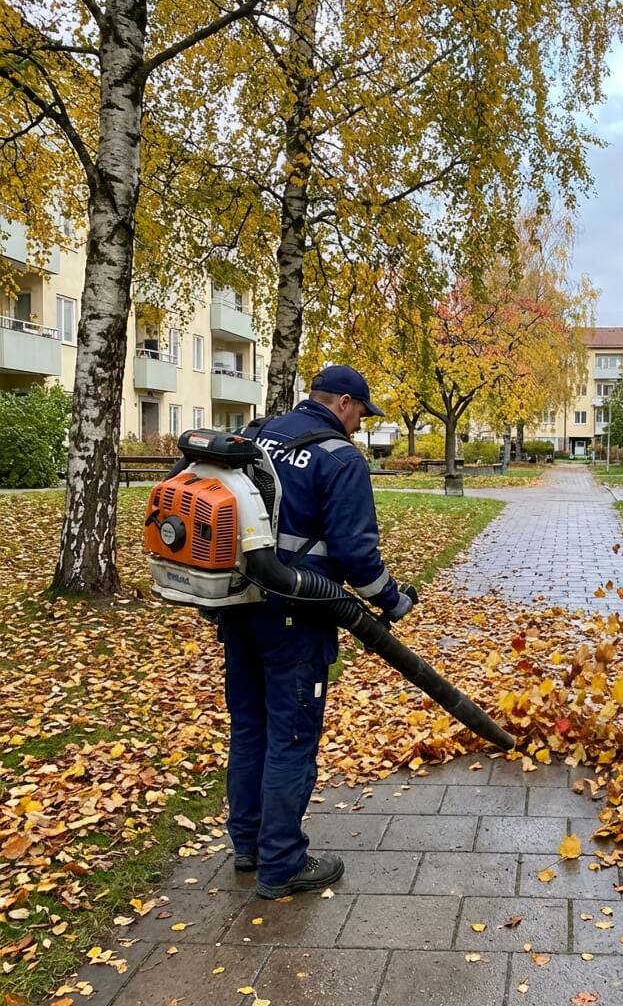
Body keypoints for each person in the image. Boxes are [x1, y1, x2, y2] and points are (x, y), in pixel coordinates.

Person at [219, 365, 414, 899]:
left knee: (250, 727)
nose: (356, 428)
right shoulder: (339, 458)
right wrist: (393, 602)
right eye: (358, 416)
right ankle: (282, 864)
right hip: (297, 617)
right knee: (292, 736)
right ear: (346, 404)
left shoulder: (258, 436)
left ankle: (249, 845)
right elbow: (355, 555)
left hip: (238, 606)